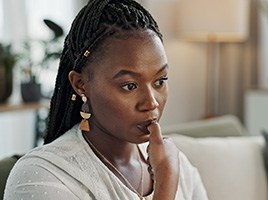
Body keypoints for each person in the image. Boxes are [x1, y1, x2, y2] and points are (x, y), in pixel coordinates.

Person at [4, 0, 208, 199]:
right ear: (81, 84)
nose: (151, 102)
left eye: (160, 81)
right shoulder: (42, 176)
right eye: (130, 86)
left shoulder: (176, 163)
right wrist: (166, 186)